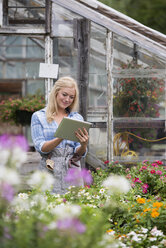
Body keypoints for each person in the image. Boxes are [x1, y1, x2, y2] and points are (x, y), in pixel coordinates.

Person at [31, 76, 89, 194]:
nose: (67, 99)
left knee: (74, 206)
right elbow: (41, 148)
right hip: (50, 168)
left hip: (72, 168)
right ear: (56, 93)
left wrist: (83, 145)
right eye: (64, 94)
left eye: (71, 97)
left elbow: (79, 152)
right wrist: (61, 135)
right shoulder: (39, 116)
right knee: (49, 206)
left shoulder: (77, 118)